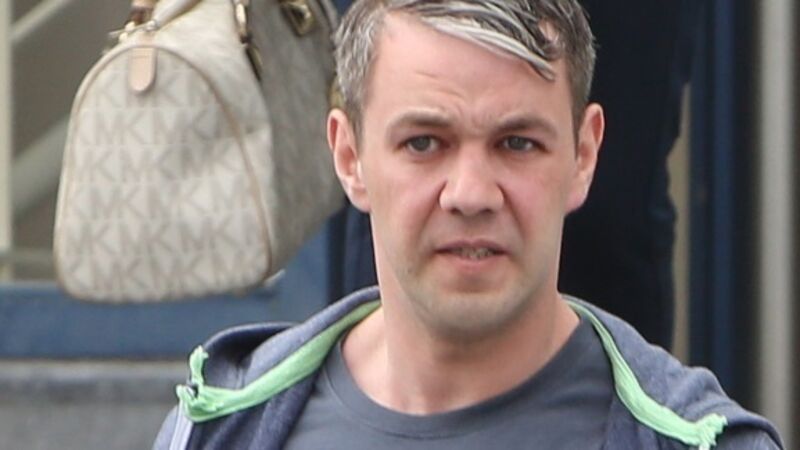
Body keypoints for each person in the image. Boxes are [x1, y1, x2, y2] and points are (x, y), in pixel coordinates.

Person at [154, 1, 782, 448]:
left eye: (517, 144)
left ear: (584, 156)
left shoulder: (701, 438)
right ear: (348, 157)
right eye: (424, 143)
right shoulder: (220, 425)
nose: (472, 195)